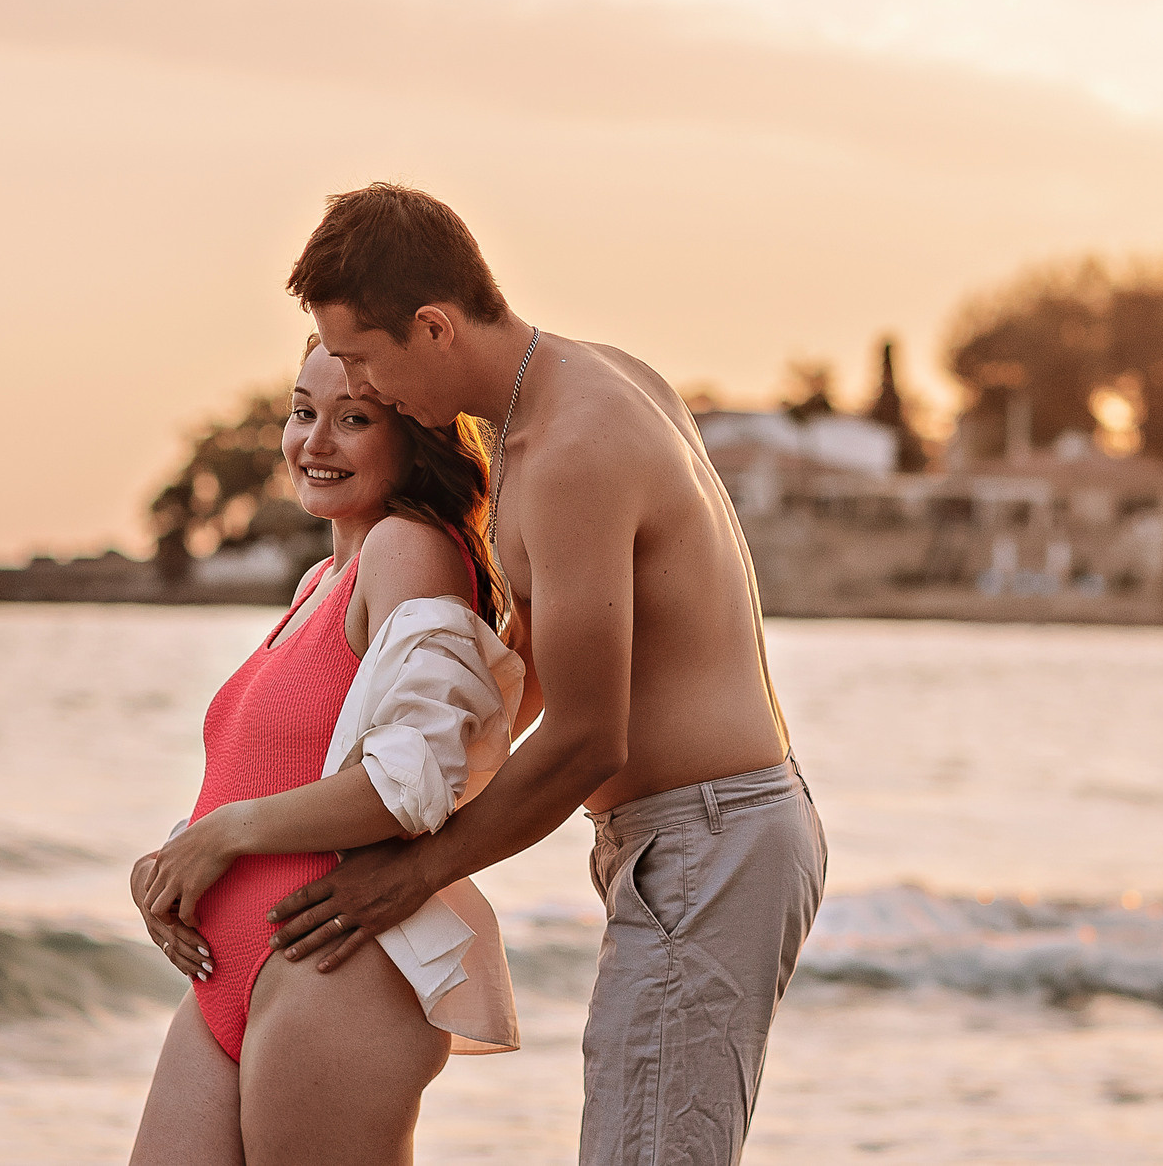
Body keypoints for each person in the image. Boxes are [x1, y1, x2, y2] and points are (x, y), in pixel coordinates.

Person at [267, 184, 826, 1166]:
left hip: (708, 834)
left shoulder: (573, 446)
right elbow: (532, 660)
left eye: (362, 356)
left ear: (433, 325)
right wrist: (383, 794)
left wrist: (413, 873)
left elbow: (585, 737)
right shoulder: (570, 390)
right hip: (693, 832)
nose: (360, 381)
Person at [127, 341, 529, 1166]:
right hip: (229, 979)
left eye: (354, 418)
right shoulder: (319, 579)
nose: (316, 440)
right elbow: (276, 769)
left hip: (331, 970)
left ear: (413, 434)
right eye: (303, 411)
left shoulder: (407, 547)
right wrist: (174, 861)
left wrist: (225, 834)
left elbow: (413, 781)